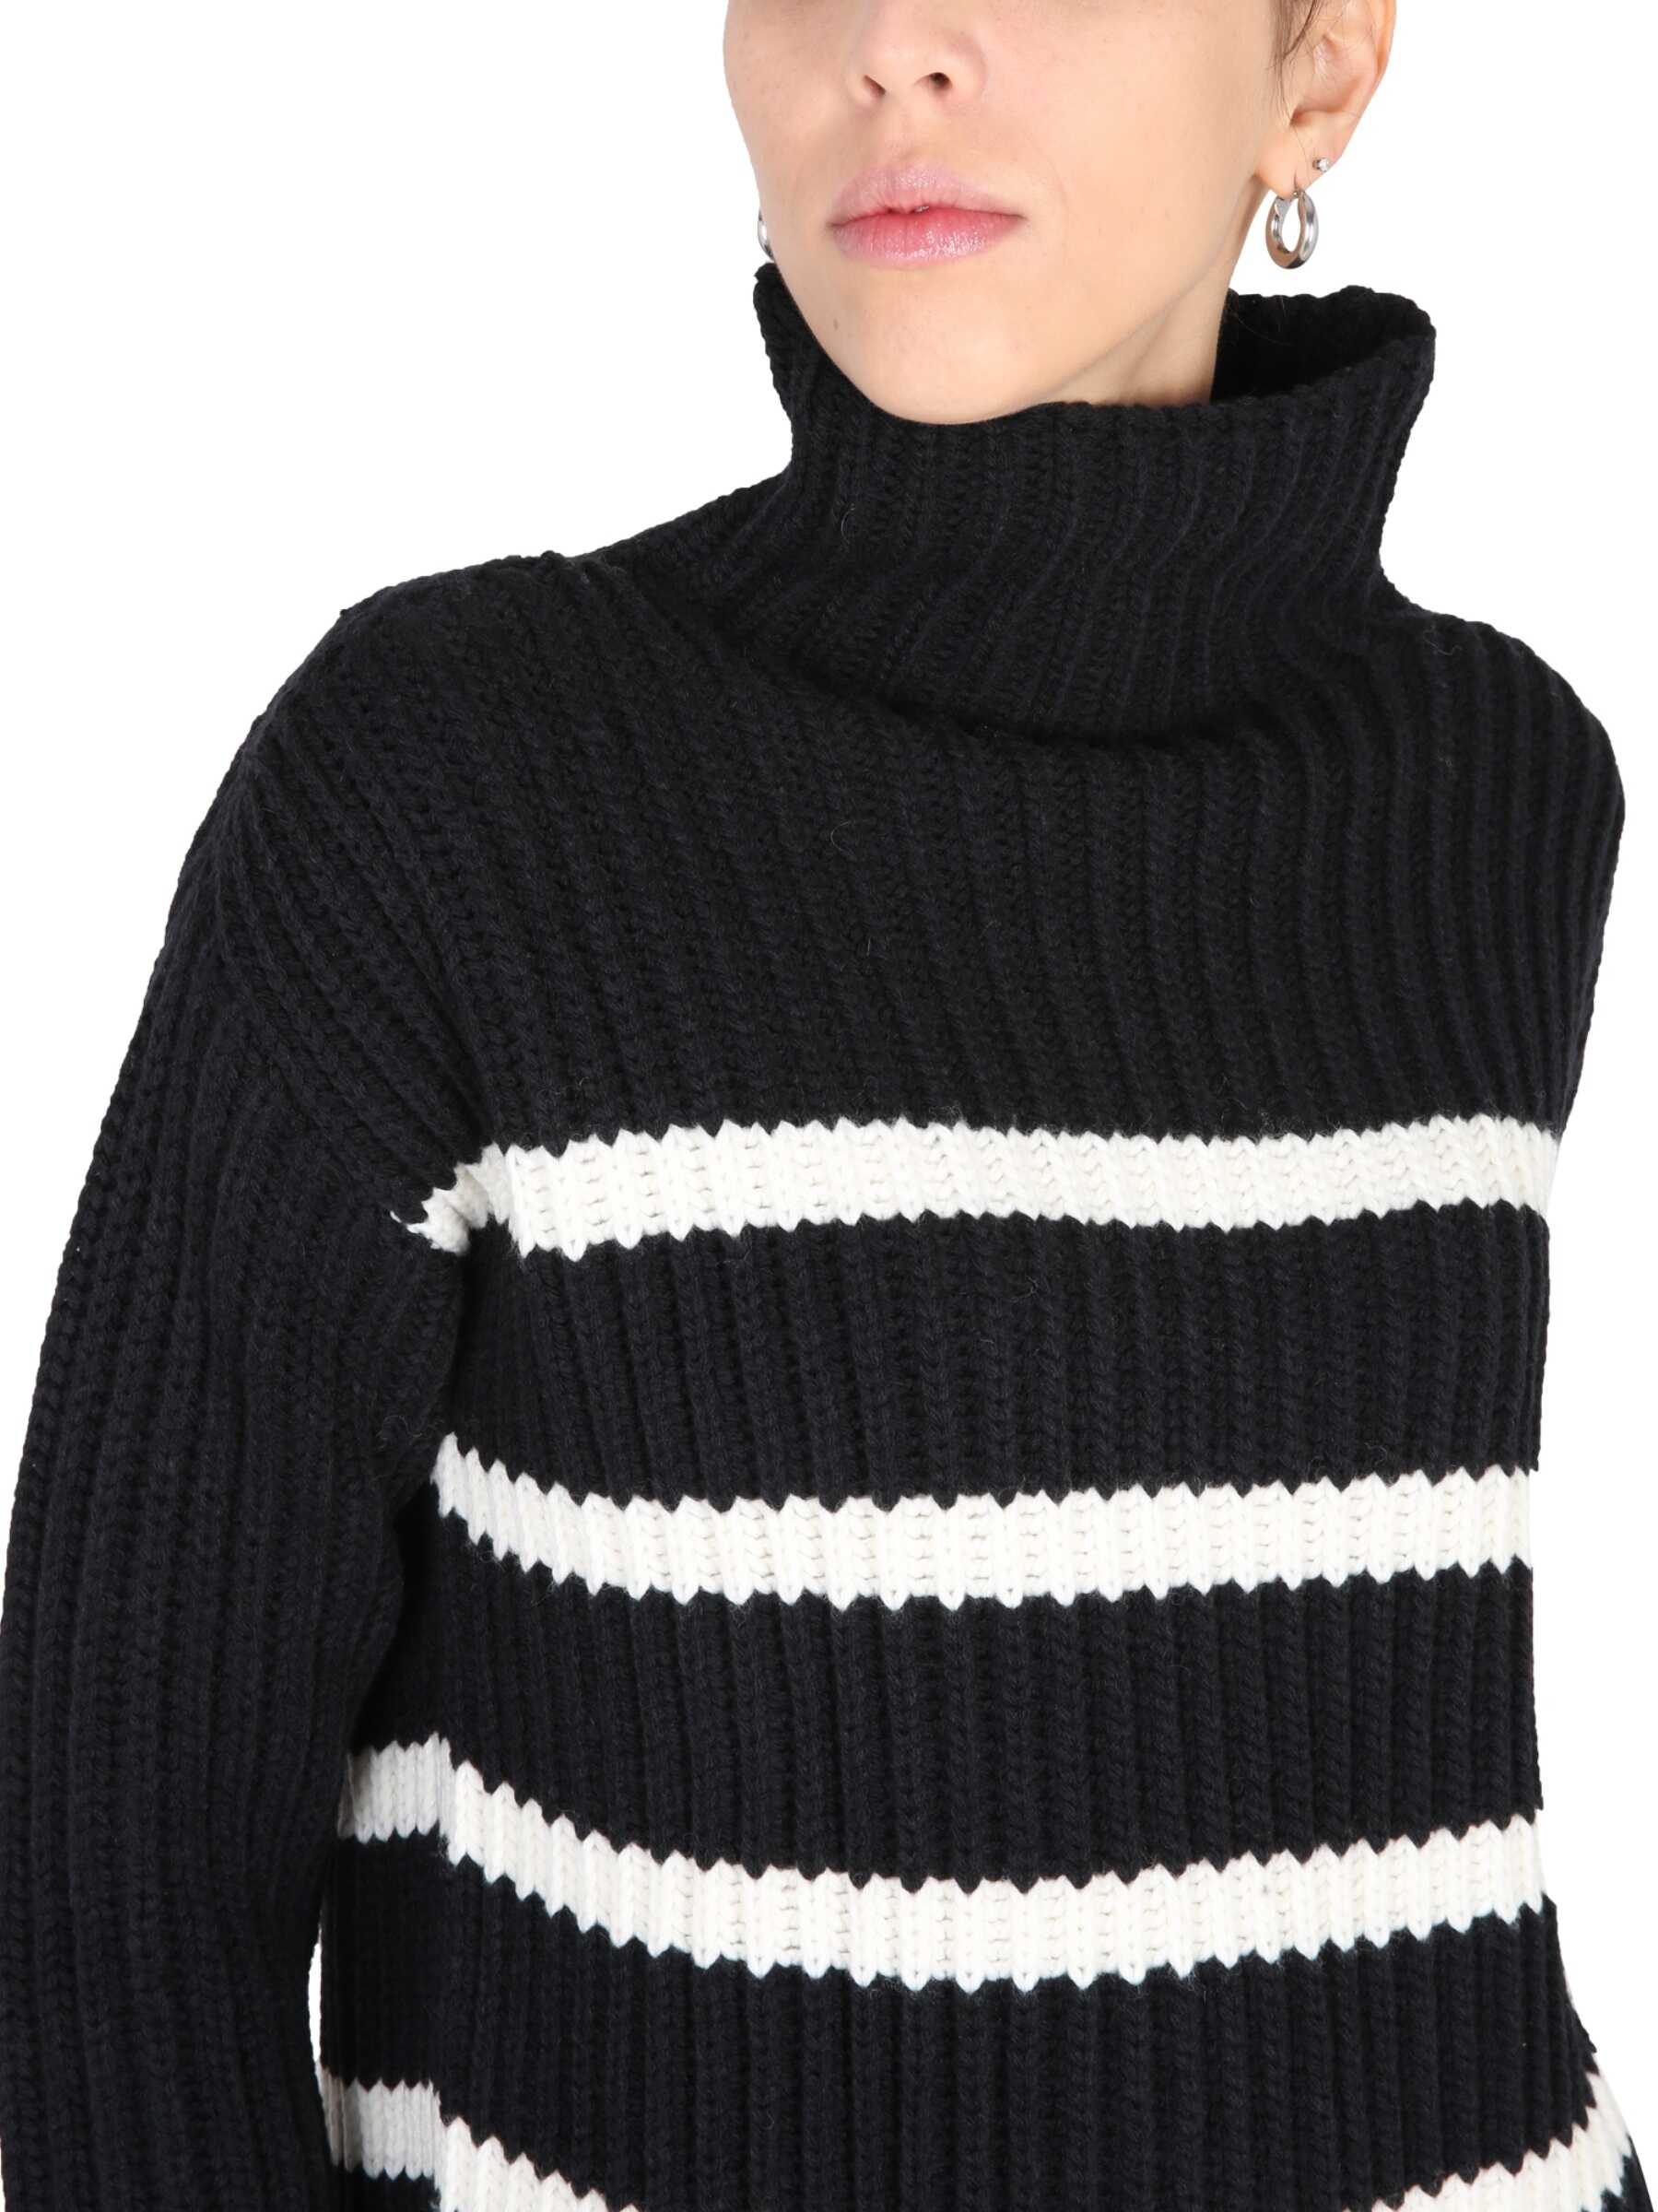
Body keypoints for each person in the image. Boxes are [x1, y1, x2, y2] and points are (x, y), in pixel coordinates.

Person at [0, 0, 1645, 2206]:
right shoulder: (449, 782)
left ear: (1320, 70)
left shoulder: (1505, 793)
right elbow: (117, 1890)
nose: (893, 46)